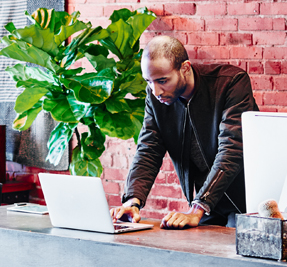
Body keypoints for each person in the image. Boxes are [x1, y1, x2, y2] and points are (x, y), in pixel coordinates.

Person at [110, 36, 258, 228]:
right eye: (149, 81)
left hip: (247, 200)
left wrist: (198, 207)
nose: (156, 91)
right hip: (208, 204)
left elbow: (232, 149)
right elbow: (148, 149)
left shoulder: (230, 83)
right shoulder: (156, 97)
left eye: (163, 80)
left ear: (185, 68)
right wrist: (132, 201)